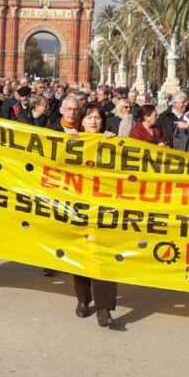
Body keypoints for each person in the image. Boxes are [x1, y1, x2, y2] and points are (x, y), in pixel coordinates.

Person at [72, 102, 118, 327]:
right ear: (81, 121)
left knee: (103, 256)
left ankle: (104, 308)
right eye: (89, 117)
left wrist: (114, 143)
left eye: (97, 118)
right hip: (78, 206)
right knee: (80, 254)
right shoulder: (70, 141)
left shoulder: (112, 143)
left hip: (103, 208)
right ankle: (83, 299)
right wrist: (69, 139)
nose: (93, 121)